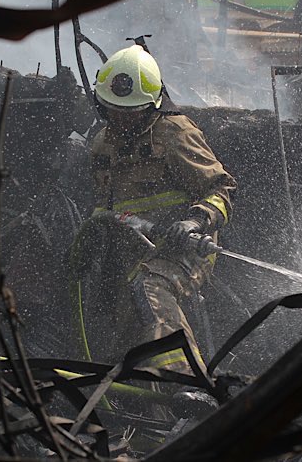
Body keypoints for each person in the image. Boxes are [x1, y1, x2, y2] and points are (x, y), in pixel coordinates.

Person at [70, 45, 236, 374]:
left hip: (185, 250)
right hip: (133, 255)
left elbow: (223, 187)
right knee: (127, 337)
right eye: (113, 109)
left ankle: (188, 382)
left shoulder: (175, 133)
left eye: (130, 111)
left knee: (150, 286)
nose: (121, 118)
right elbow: (106, 207)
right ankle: (153, 414)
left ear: (151, 106)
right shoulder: (101, 144)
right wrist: (84, 244)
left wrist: (196, 219)